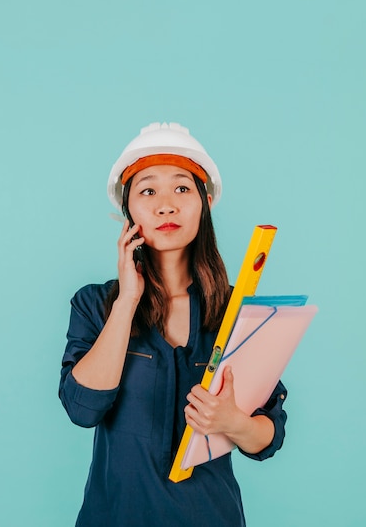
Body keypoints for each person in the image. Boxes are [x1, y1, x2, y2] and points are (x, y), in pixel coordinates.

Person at [59, 122, 288, 526]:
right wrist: (128, 300)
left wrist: (234, 423)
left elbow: (269, 436)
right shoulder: (96, 304)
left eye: (182, 188)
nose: (167, 205)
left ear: (206, 202)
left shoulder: (236, 310)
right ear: (127, 208)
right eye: (148, 190)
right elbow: (83, 408)